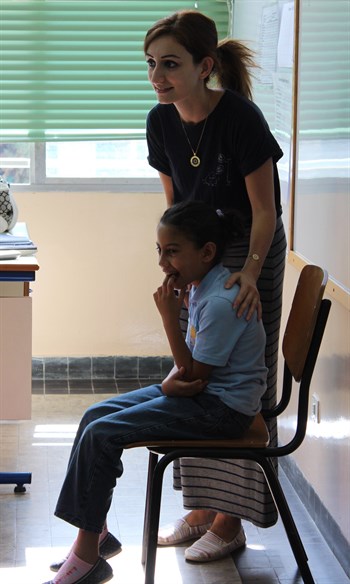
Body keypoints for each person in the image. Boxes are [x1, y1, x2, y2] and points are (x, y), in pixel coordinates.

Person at [43, 201, 268, 584]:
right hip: (204, 395)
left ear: (207, 252)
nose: (163, 262)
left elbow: (195, 375)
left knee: (103, 434)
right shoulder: (201, 286)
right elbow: (192, 370)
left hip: (223, 410)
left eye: (173, 251)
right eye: (159, 251)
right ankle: (96, 534)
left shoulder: (219, 301)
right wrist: (168, 383)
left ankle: (87, 559)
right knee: (93, 416)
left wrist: (168, 319)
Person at [144, 9, 287, 561]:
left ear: (205, 67)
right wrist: (174, 258)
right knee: (197, 374)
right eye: (151, 64)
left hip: (251, 245)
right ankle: (201, 507)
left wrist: (249, 272)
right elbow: (175, 204)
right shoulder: (160, 121)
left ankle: (231, 520)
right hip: (199, 247)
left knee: (244, 380)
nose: (158, 76)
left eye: (171, 65)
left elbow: (264, 211)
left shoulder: (241, 118)